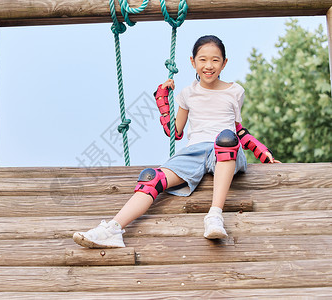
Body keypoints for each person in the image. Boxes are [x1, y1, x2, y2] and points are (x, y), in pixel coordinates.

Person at [73, 35, 280, 248]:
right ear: (193, 62)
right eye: (203, 60)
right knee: (151, 177)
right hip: (195, 151)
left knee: (226, 140)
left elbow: (238, 130)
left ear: (224, 63)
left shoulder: (235, 91)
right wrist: (162, 96)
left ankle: (214, 215)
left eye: (215, 60)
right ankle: (113, 229)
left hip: (226, 149)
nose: (209, 66)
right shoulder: (187, 93)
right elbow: (175, 131)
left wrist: (261, 151)